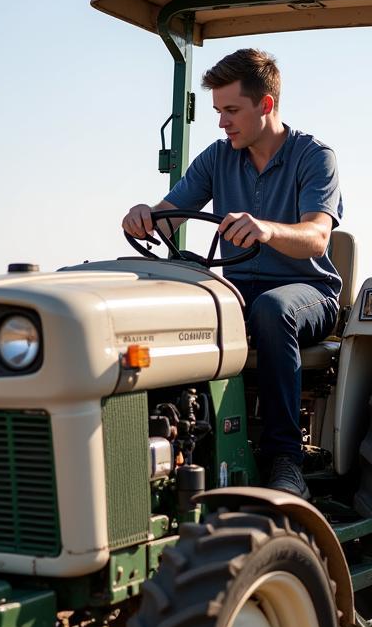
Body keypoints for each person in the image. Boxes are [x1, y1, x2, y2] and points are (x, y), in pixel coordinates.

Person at [123, 49, 342, 499]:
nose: (222, 122)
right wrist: (145, 216)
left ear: (265, 105)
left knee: (271, 308)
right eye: (218, 111)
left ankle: (285, 458)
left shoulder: (314, 157)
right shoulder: (218, 158)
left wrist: (266, 230)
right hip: (236, 290)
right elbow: (170, 215)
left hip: (306, 292)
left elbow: (318, 237)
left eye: (231, 110)